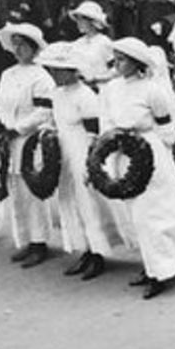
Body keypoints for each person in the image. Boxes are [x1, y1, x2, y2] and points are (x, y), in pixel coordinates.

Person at [102, 37, 175, 298]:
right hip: (123, 152)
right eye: (116, 59)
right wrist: (113, 145)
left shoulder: (152, 89)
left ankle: (163, 270)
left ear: (136, 64)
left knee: (153, 213)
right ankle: (151, 266)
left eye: (123, 59)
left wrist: (160, 154)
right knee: (137, 214)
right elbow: (107, 120)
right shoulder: (112, 88)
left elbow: (166, 127)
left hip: (150, 153)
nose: (118, 63)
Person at [37, 42, 135, 279]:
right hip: (64, 153)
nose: (55, 75)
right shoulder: (57, 94)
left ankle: (98, 253)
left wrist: (91, 162)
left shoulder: (85, 95)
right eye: (52, 70)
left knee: (89, 203)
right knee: (72, 202)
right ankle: (85, 249)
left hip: (82, 151)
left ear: (73, 70)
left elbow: (94, 132)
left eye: (60, 70)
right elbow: (54, 120)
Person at [0, 22, 55, 267]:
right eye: (15, 44)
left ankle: (40, 242)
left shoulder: (41, 77)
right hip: (6, 139)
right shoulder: (8, 74)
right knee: (15, 189)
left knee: (31, 189)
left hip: (28, 139)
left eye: (23, 45)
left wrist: (17, 128)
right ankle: (25, 239)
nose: (19, 49)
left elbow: (44, 112)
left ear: (34, 48)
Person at [68, 1, 115, 87]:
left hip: (101, 88)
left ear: (92, 22)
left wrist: (97, 78)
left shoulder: (104, 42)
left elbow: (115, 69)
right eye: (77, 19)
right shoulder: (77, 43)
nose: (78, 23)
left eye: (82, 20)